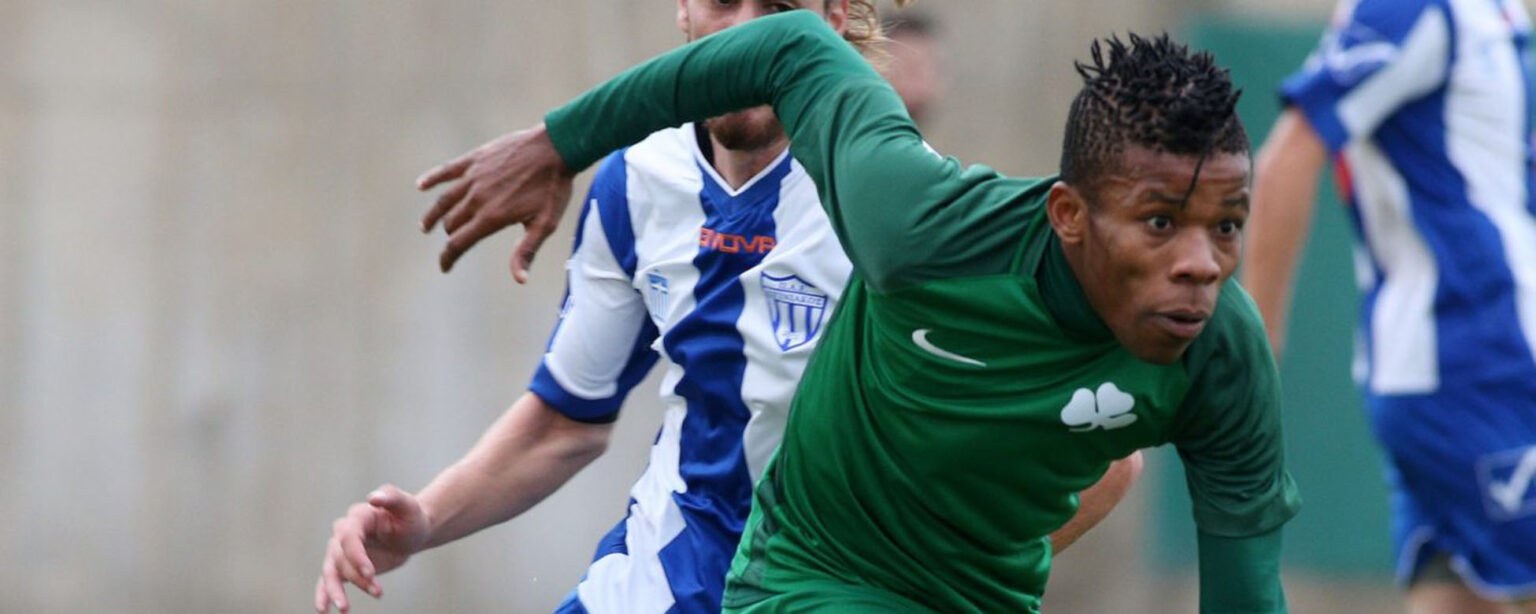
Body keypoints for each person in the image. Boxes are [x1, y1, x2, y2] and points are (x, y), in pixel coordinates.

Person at [409, 11, 1301, 613]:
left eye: (1227, 226)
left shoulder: (1223, 354)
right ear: (1068, 214)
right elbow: (790, 46)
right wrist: (560, 143)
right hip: (806, 579)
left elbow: (1243, 587)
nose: (1200, 264)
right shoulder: (913, 224)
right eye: (1161, 223)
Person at [1242, 0, 1536, 611]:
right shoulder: (1414, 7)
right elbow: (1287, 157)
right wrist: (1252, 354)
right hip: (1480, 366)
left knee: (1452, 597)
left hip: (1454, 370)